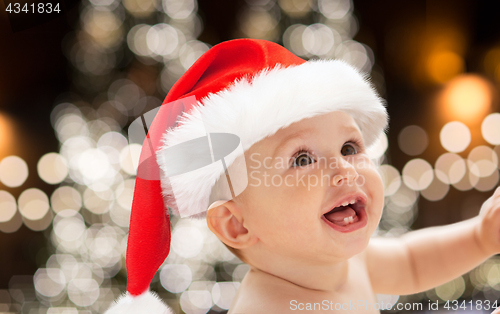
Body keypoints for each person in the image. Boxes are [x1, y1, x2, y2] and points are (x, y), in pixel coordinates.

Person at [105, 38, 500, 313]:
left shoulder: (347, 263)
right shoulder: (271, 307)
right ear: (236, 223)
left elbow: (413, 261)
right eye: (302, 159)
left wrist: (481, 236)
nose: (344, 167)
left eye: (349, 148)